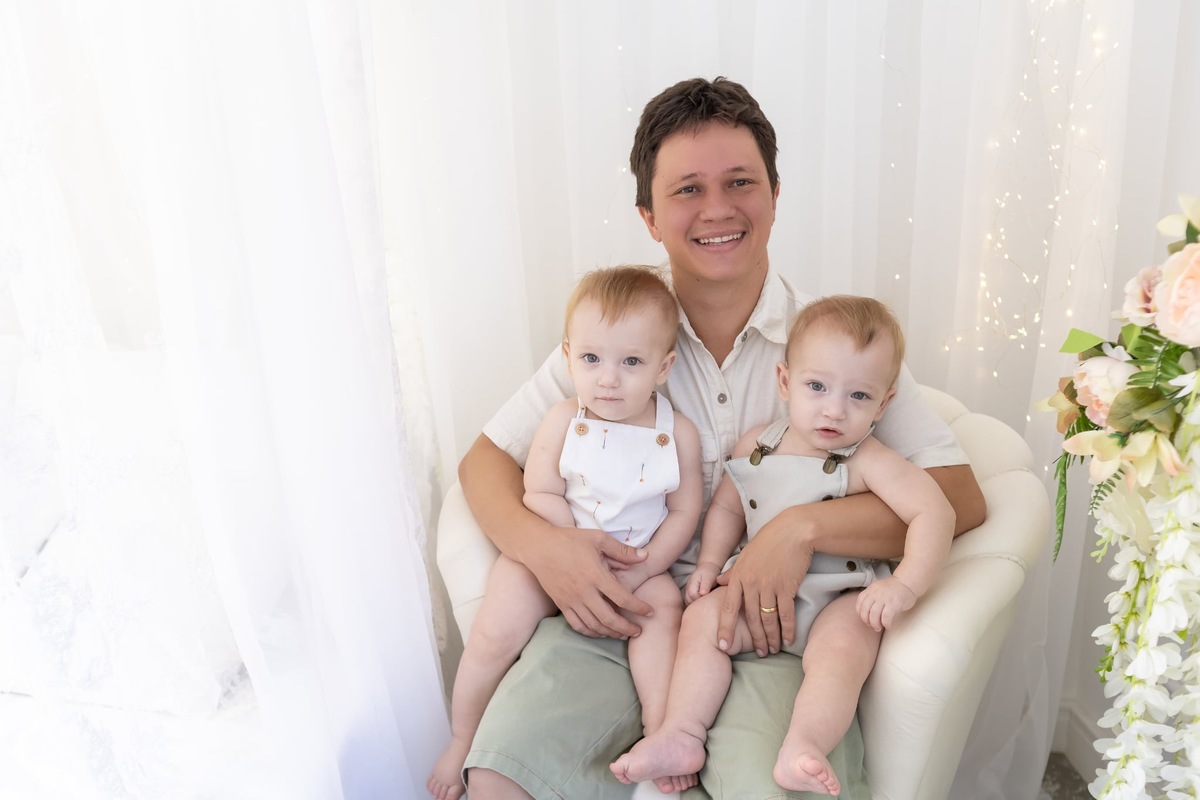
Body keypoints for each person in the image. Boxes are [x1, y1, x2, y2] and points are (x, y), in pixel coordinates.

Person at [457, 76, 986, 799]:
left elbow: (960, 496)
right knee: (500, 776)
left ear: (773, 193)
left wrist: (797, 530)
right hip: (619, 607)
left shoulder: (829, 341)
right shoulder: (616, 333)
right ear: (648, 215)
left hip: (770, 630)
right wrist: (546, 549)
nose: (717, 209)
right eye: (686, 190)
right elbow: (484, 462)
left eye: (740, 182)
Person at [610, 295, 956, 795]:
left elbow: (935, 511)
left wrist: (905, 585)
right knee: (704, 620)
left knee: (839, 654)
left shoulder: (869, 459)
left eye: (859, 396)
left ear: (885, 403)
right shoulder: (758, 444)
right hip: (758, 596)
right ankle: (681, 732)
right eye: (817, 387)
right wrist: (709, 563)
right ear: (785, 382)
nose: (834, 410)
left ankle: (804, 744)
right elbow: (728, 508)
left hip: (839, 597)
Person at [427, 266, 703, 800]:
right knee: (491, 633)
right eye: (592, 359)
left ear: (664, 367)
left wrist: (647, 565)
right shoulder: (560, 420)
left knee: (664, 612)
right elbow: (540, 493)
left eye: (631, 363)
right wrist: (567, 549)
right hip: (557, 552)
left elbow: (684, 512)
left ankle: (658, 728)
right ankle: (463, 736)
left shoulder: (676, 434)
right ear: (569, 355)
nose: (608, 379)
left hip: (638, 564)